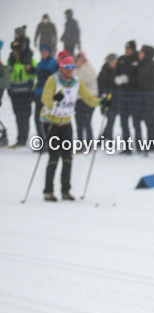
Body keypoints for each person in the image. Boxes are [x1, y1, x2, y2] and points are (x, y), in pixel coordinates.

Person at [40, 53, 98, 200]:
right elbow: (45, 98)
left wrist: (101, 103)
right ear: (61, 67)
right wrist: (54, 100)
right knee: (54, 157)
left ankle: (66, 190)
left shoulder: (76, 82)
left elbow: (88, 97)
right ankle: (48, 191)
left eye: (72, 67)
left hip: (66, 123)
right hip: (51, 122)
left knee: (67, 158)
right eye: (67, 67)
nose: (70, 70)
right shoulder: (53, 80)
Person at [7, 32, 35, 148]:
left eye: (17, 51)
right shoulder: (11, 63)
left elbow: (35, 74)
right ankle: (20, 138)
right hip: (15, 94)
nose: (15, 53)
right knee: (18, 117)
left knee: (25, 116)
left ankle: (23, 138)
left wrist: (30, 70)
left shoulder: (29, 62)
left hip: (26, 94)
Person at [114, 41, 142, 151]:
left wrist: (128, 79)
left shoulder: (137, 60)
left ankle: (139, 145)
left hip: (134, 96)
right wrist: (118, 79)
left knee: (136, 123)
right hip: (122, 96)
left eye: (129, 49)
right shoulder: (121, 60)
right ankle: (127, 146)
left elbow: (139, 77)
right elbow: (116, 73)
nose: (126, 51)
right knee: (124, 122)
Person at [137, 45, 154, 150]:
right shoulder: (140, 65)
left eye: (142, 53)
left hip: (151, 100)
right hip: (143, 100)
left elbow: (153, 82)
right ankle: (145, 144)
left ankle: (153, 145)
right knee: (146, 123)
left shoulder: (153, 66)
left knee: (152, 124)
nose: (139, 54)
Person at [34, 45, 58, 141]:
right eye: (42, 52)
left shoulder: (53, 63)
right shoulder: (39, 64)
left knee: (48, 118)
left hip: (48, 95)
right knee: (38, 118)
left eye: (45, 52)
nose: (43, 54)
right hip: (38, 94)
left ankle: (50, 140)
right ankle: (41, 139)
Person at [73, 52, 97, 144]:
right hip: (78, 99)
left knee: (87, 121)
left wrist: (81, 67)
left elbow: (85, 79)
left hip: (89, 98)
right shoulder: (75, 69)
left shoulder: (89, 68)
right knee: (79, 122)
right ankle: (80, 143)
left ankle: (89, 143)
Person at [97, 53, 118, 139]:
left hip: (116, 99)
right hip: (107, 99)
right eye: (113, 62)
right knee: (110, 119)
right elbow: (100, 85)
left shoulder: (118, 70)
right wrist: (103, 95)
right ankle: (106, 138)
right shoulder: (104, 71)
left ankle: (105, 137)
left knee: (111, 120)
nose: (115, 63)